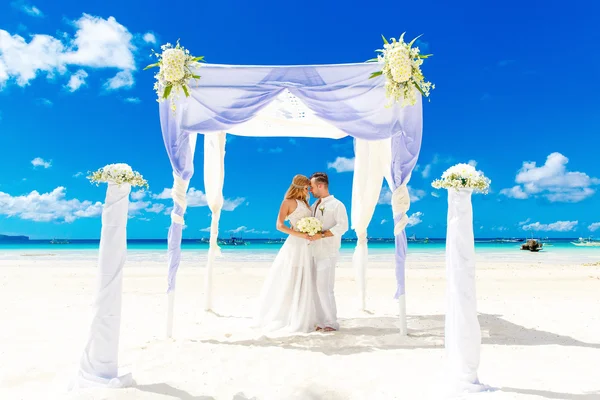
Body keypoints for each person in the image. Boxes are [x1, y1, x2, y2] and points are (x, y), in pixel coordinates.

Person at [253, 174, 317, 333]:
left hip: (308, 244)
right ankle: (290, 316)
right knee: (293, 278)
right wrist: (301, 234)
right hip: (296, 244)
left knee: (306, 279)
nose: (309, 190)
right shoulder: (287, 202)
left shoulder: (305, 203)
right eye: (307, 187)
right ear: (301, 187)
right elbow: (279, 225)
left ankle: (305, 314)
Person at [308, 172, 348, 332]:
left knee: (324, 287)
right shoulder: (314, 205)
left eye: (311, 187)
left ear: (320, 186)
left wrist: (322, 234)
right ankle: (320, 321)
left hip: (328, 252)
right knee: (314, 288)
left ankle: (331, 322)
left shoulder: (337, 204)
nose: (310, 190)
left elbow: (342, 226)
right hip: (313, 252)